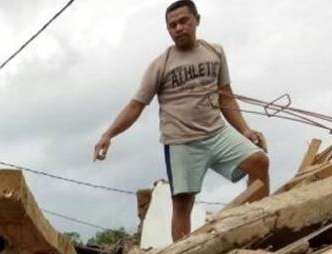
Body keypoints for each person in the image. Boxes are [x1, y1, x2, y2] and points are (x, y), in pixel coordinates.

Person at [93, 0, 269, 241]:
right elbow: (136, 105)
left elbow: (226, 97)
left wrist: (245, 130)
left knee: (259, 161)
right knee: (183, 202)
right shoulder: (161, 65)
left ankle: (258, 230)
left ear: (197, 20)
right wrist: (108, 134)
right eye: (172, 25)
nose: (178, 28)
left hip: (217, 133)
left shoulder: (215, 52)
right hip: (181, 142)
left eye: (184, 21)